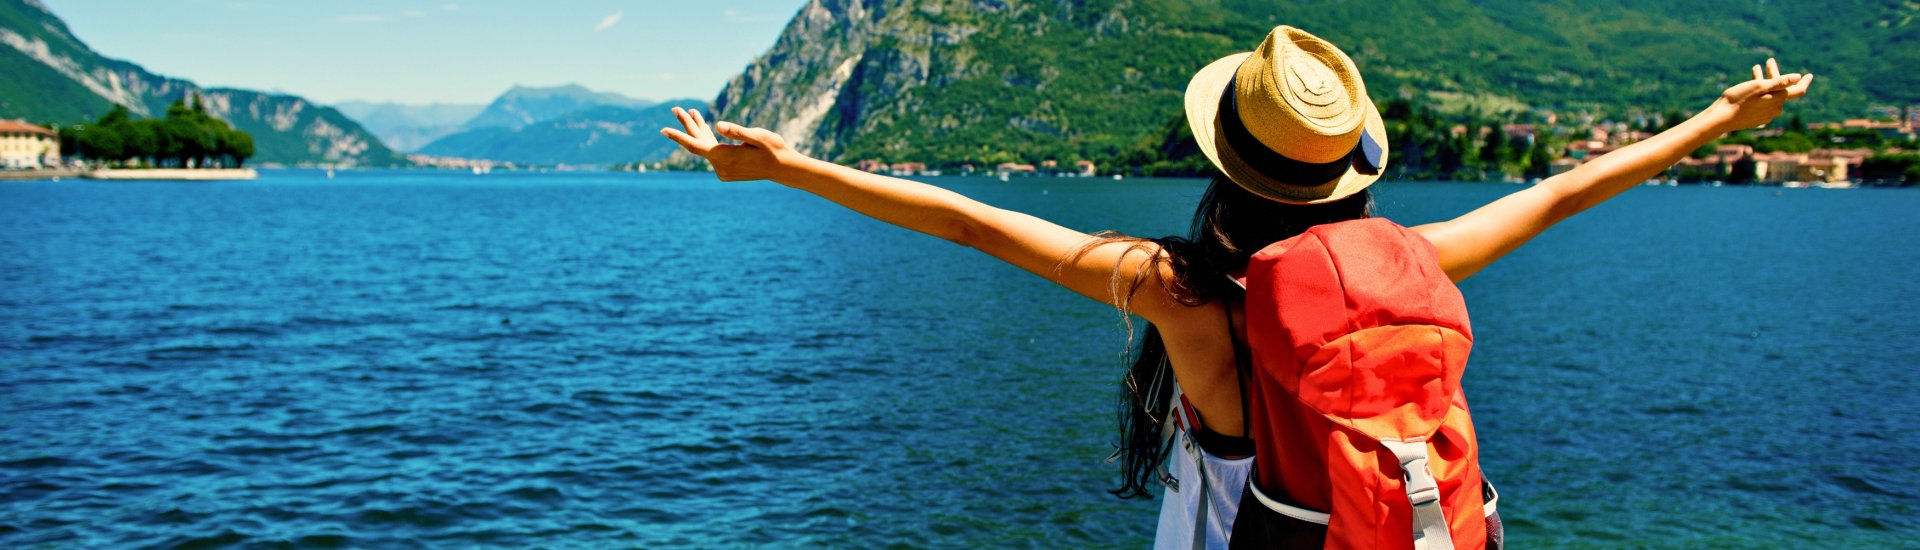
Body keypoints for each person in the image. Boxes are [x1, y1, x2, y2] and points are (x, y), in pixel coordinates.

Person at [662, 25, 1812, 548]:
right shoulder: (1418, 257)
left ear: (1227, 160)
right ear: (1349, 167)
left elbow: (970, 222)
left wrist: (788, 166)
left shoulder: (1186, 290)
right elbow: (1561, 194)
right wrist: (1717, 119)